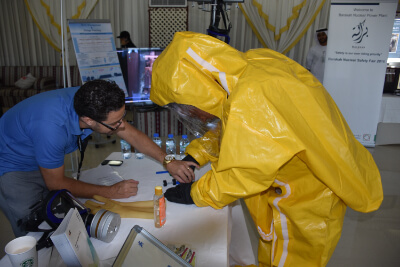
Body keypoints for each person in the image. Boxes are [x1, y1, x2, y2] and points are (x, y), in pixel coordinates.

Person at [150, 32, 383, 266]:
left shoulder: (251, 97)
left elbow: (243, 174)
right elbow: (240, 128)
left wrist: (196, 193)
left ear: (199, 88)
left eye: (186, 107)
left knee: (293, 259)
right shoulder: (252, 67)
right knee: (273, 251)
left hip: (309, 198)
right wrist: (198, 153)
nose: (190, 114)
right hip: (296, 183)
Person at [0, 79, 197, 237]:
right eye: (114, 124)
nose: (121, 126)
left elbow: (131, 133)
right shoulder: (51, 128)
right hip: (13, 167)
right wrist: (110, 191)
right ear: (88, 120)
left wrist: (169, 160)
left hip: (40, 152)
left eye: (122, 118)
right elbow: (56, 183)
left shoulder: (91, 99)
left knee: (58, 214)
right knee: (34, 229)